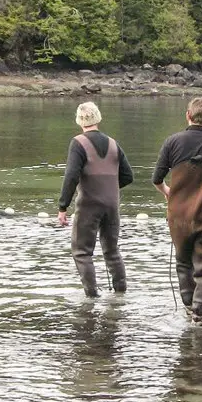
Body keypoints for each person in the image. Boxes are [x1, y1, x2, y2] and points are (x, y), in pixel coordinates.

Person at [152, 97, 202, 325]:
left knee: (183, 264)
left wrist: (168, 192)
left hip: (178, 217)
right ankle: (200, 318)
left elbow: (157, 179)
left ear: (188, 115)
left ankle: (189, 310)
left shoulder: (172, 142)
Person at [58, 102, 133, 297]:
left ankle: (91, 298)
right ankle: (120, 294)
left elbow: (71, 176)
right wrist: (109, 189)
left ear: (79, 121)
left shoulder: (78, 143)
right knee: (112, 251)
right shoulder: (114, 143)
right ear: (98, 118)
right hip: (112, 205)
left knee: (82, 252)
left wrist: (62, 206)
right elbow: (128, 176)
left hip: (89, 205)